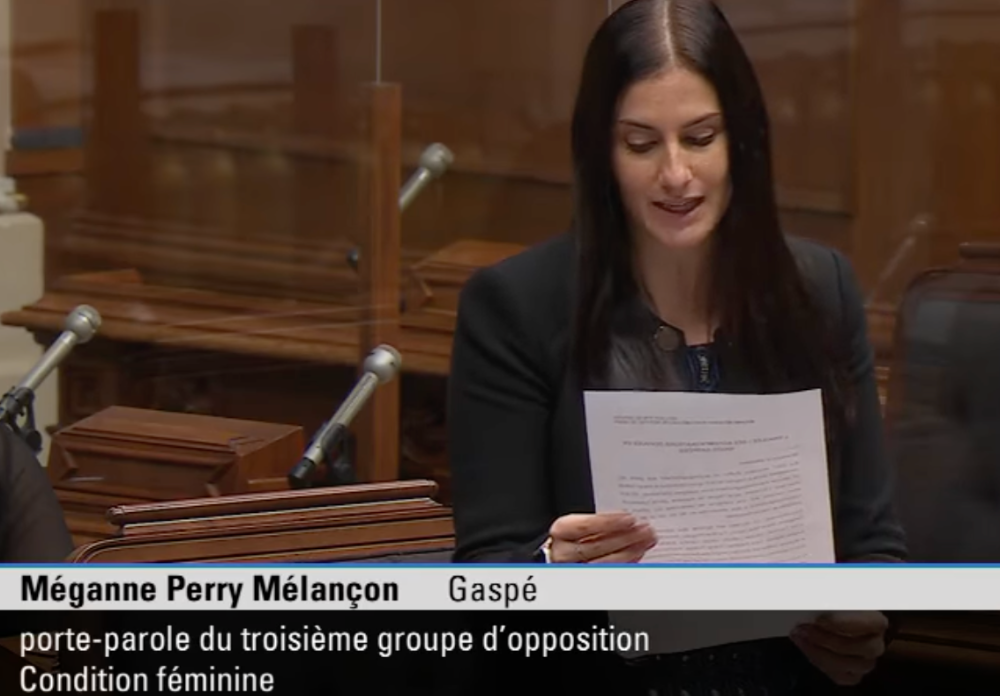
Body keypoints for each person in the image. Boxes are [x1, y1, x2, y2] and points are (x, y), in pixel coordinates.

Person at [447, 0, 906, 695]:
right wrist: (546, 574)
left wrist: (864, 622)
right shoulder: (516, 306)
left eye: (699, 137)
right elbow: (484, 594)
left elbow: (874, 545)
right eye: (641, 143)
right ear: (602, 151)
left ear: (741, 141)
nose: (675, 175)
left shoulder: (822, 290)